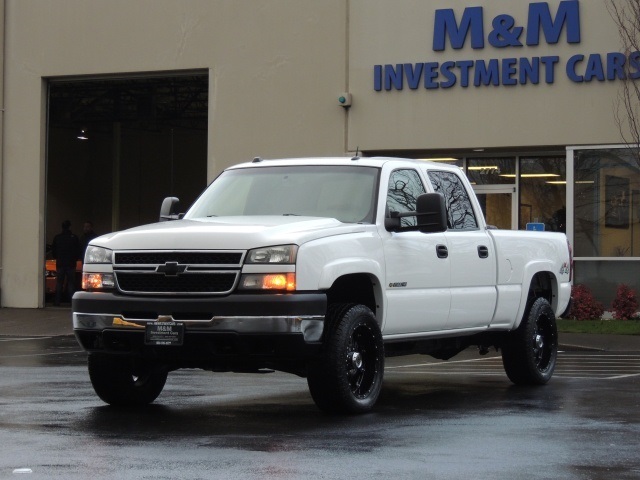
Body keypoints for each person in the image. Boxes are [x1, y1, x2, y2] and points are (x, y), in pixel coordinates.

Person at [51, 220, 81, 306]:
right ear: (70, 227)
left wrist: (58, 258)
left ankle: (57, 301)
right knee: (71, 283)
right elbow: (78, 250)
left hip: (60, 263)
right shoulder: (74, 237)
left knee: (59, 283)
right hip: (71, 264)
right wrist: (74, 259)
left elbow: (54, 251)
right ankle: (72, 302)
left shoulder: (57, 237)